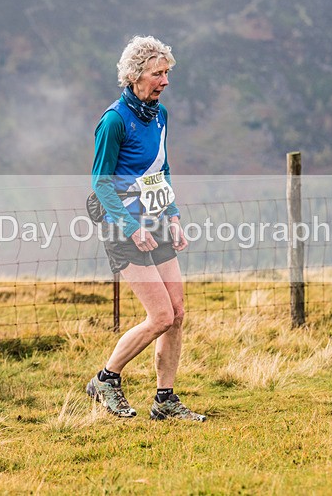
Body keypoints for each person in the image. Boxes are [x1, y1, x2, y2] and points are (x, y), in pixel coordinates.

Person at [85, 35, 205, 422]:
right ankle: (106, 379)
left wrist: (173, 216)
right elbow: (101, 183)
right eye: (158, 73)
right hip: (123, 226)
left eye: (167, 72)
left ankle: (165, 400)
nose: (165, 80)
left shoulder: (160, 115)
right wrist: (132, 227)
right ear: (136, 76)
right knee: (160, 317)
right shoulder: (115, 120)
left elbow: (160, 171)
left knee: (178, 311)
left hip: (156, 221)